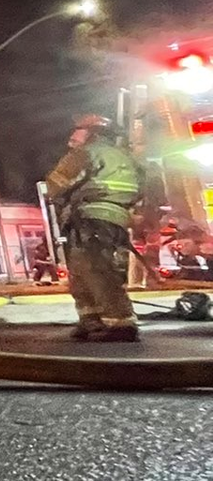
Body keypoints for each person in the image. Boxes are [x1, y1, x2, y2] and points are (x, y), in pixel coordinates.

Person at [45, 113, 142, 342]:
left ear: (92, 133)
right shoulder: (123, 156)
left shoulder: (85, 152)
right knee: (82, 268)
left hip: (90, 216)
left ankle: (120, 323)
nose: (73, 135)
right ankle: (92, 320)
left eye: (77, 129)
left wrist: (57, 196)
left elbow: (55, 185)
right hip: (114, 217)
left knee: (95, 268)